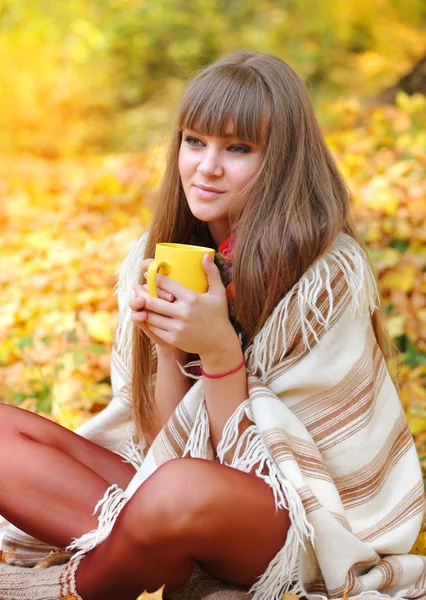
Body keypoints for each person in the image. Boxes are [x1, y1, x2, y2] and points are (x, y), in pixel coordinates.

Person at [0, 50, 424, 600]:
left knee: (179, 491)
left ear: (282, 161)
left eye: (238, 149)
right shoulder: (161, 254)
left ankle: (72, 586)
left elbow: (284, 475)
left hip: (301, 522)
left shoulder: (324, 274)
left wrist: (222, 356)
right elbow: (165, 444)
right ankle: (159, 560)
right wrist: (168, 349)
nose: (207, 166)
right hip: (184, 497)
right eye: (194, 141)